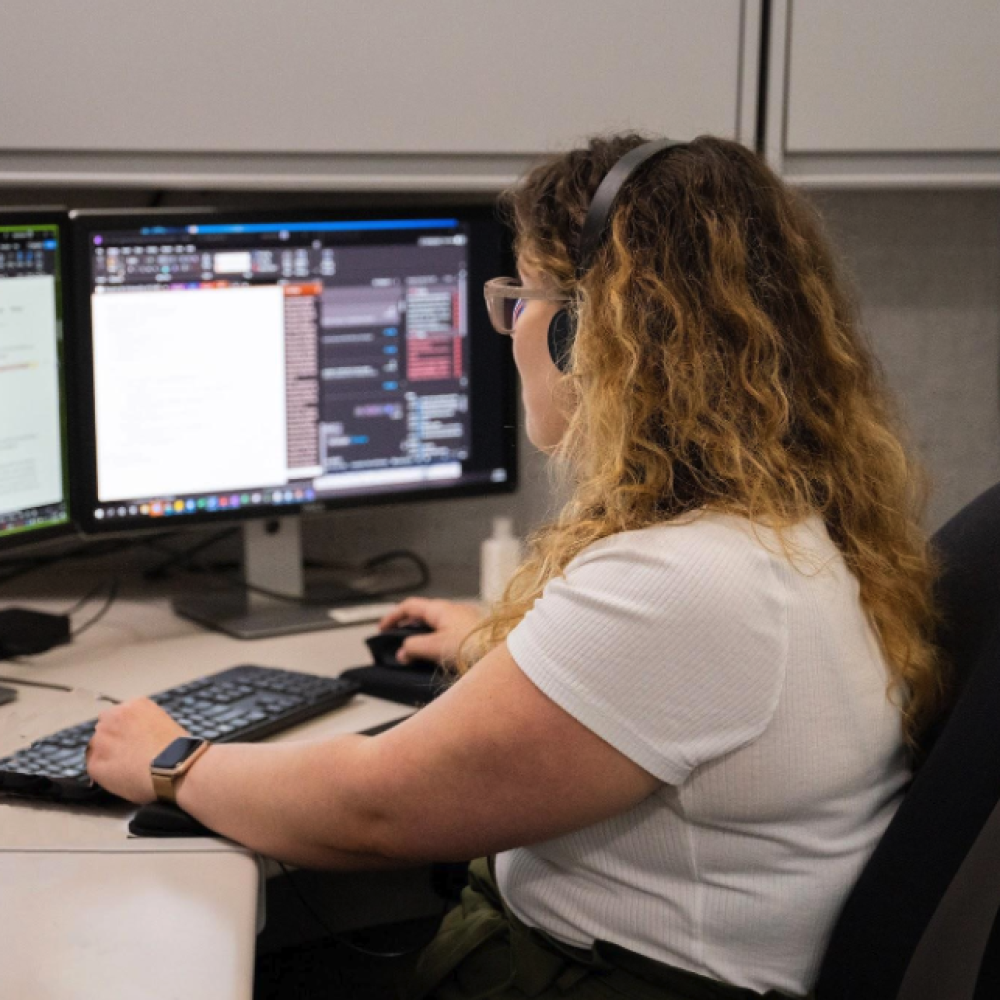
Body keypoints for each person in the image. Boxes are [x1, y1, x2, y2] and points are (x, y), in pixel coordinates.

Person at [87, 135, 943, 1000]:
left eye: (520, 296)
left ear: (589, 329)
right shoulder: (773, 529)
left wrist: (173, 760)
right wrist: (508, 650)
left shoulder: (689, 582)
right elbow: (659, 692)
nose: (510, 326)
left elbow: (372, 808)